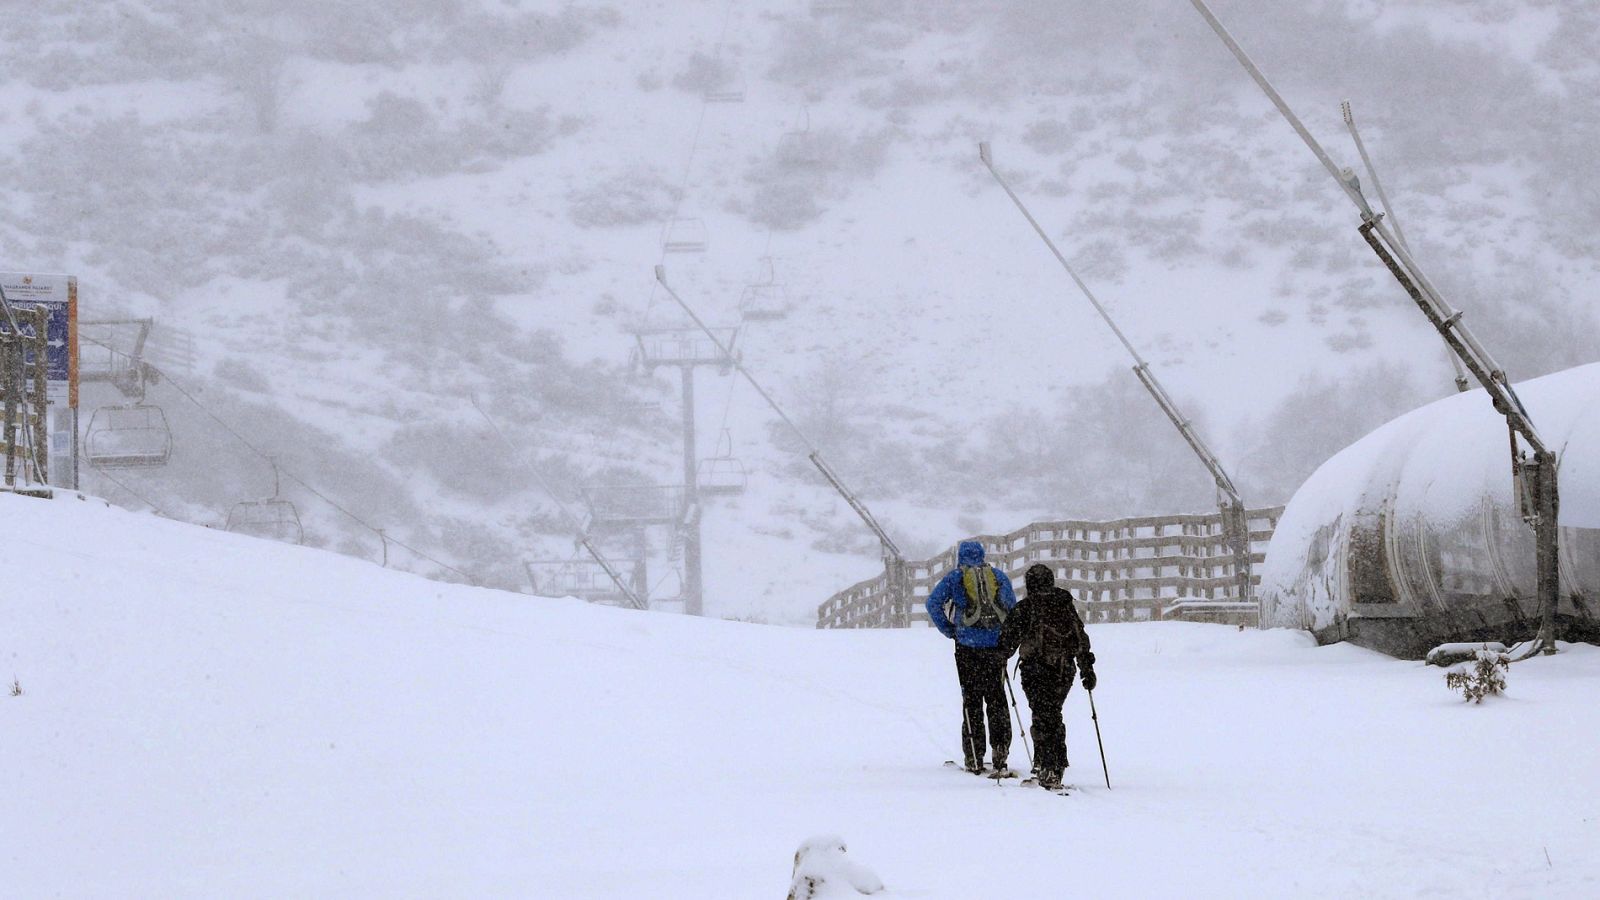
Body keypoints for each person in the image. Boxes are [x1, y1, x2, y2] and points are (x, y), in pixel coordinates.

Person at [997, 564, 1096, 790]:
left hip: (1035, 670)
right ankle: (1050, 764)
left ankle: (1049, 766)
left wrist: (1000, 658)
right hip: (1064, 670)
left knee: (1043, 715)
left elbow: (1008, 639)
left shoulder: (1026, 607)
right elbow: (1080, 637)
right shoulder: (1064, 605)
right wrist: (1086, 669)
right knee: (1052, 713)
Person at [926, 540, 1019, 775]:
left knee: (972, 700)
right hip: (995, 648)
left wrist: (950, 630)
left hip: (967, 646)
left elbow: (933, 603)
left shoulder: (955, 578)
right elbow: (1011, 606)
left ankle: (974, 756)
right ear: (982, 555)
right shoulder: (997, 576)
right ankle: (1000, 751)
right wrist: (1003, 636)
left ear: (961, 557)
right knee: (997, 698)